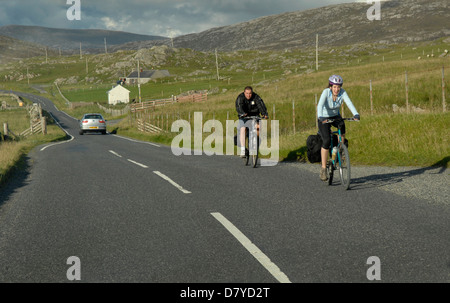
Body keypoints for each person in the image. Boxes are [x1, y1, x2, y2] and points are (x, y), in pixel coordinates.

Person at [317, 75, 360, 181]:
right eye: (334, 87)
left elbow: (349, 103)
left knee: (342, 126)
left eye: (338, 87)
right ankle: (323, 169)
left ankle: (340, 149)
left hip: (335, 116)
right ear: (331, 86)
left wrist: (356, 114)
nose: (337, 89)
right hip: (324, 117)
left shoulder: (342, 93)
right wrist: (321, 117)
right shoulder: (326, 92)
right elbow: (320, 105)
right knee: (326, 141)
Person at [235, 86, 268, 157]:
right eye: (247, 93)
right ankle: (243, 150)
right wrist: (242, 113)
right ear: (244, 92)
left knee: (258, 126)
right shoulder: (240, 97)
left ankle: (256, 141)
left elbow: (261, 105)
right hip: (244, 116)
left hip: (255, 116)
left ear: (252, 93)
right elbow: (239, 106)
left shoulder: (256, 97)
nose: (248, 95)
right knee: (243, 128)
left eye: (250, 93)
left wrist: (264, 113)